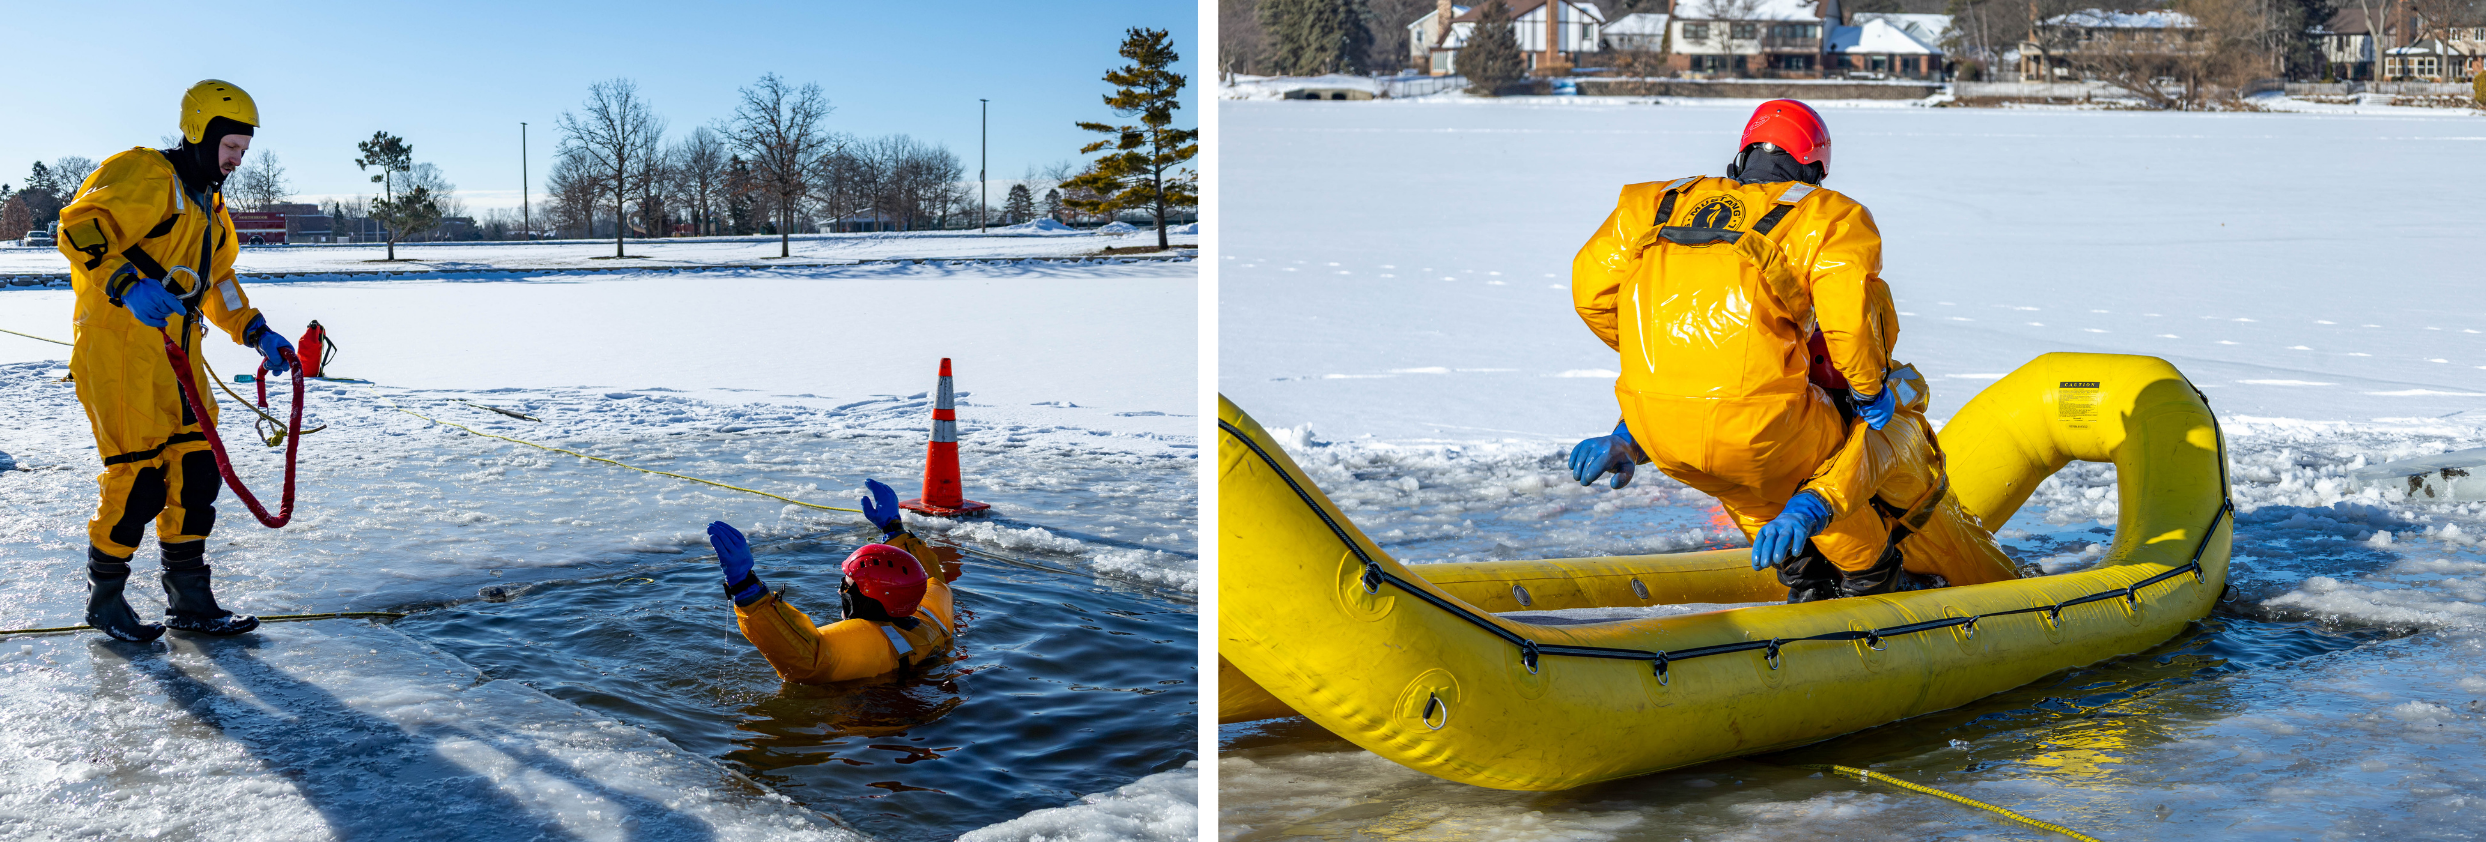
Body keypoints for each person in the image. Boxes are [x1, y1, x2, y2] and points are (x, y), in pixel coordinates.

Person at [1567, 99, 1907, 602]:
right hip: (1765, 433)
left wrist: (1661, 353)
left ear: (1740, 160)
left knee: (1746, 484)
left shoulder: (1654, 203)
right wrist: (1868, 387)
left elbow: (1589, 293)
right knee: (1862, 441)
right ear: (1813, 170)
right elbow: (1850, 323)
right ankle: (1872, 583)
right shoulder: (1826, 217)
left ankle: (1805, 583)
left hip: (1655, 431)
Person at [55, 80, 294, 640]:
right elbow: (78, 227)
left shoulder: (208, 199)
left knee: (196, 471)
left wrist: (253, 329)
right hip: (120, 352)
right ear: (200, 133)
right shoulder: (145, 174)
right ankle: (106, 599)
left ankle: (189, 599)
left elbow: (217, 278)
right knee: (138, 478)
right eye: (230, 148)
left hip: (178, 353)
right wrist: (125, 284)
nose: (236, 161)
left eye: (243, 151)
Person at [706, 479, 964, 684]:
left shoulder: (872, 643)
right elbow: (932, 579)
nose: (840, 589)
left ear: (870, 596)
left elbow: (806, 663)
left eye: (847, 584)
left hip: (876, 732)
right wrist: (894, 530)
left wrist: (745, 587)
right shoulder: (931, 617)